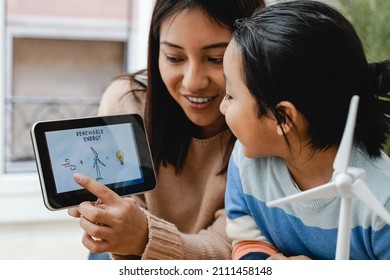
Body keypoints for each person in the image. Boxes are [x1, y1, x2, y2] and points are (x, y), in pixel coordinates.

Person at [68, 0, 265, 260]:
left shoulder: (269, 123)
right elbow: (125, 208)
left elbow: (233, 246)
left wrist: (146, 237)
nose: (193, 82)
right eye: (174, 57)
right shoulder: (128, 102)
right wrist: (111, 220)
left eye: (216, 59)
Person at [220, 0, 390, 260]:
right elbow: (246, 237)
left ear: (283, 117)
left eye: (230, 95)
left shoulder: (382, 202)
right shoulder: (246, 165)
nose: (222, 107)